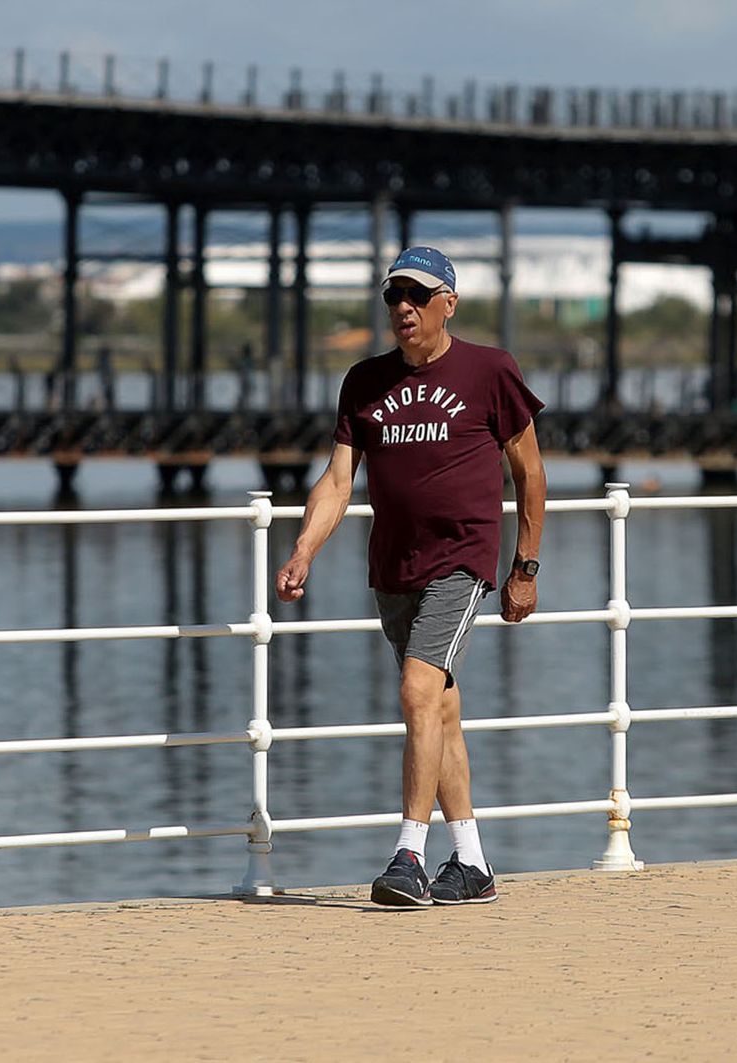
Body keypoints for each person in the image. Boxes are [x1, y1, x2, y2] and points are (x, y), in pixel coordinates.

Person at [275, 245, 546, 907]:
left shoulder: (490, 371)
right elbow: (339, 481)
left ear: (448, 302)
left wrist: (524, 568)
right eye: (394, 296)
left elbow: (530, 474)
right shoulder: (364, 381)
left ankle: (408, 855)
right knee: (440, 707)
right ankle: (473, 863)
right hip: (393, 564)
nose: (404, 308)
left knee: (416, 690)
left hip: (462, 558)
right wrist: (305, 549)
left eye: (418, 296)